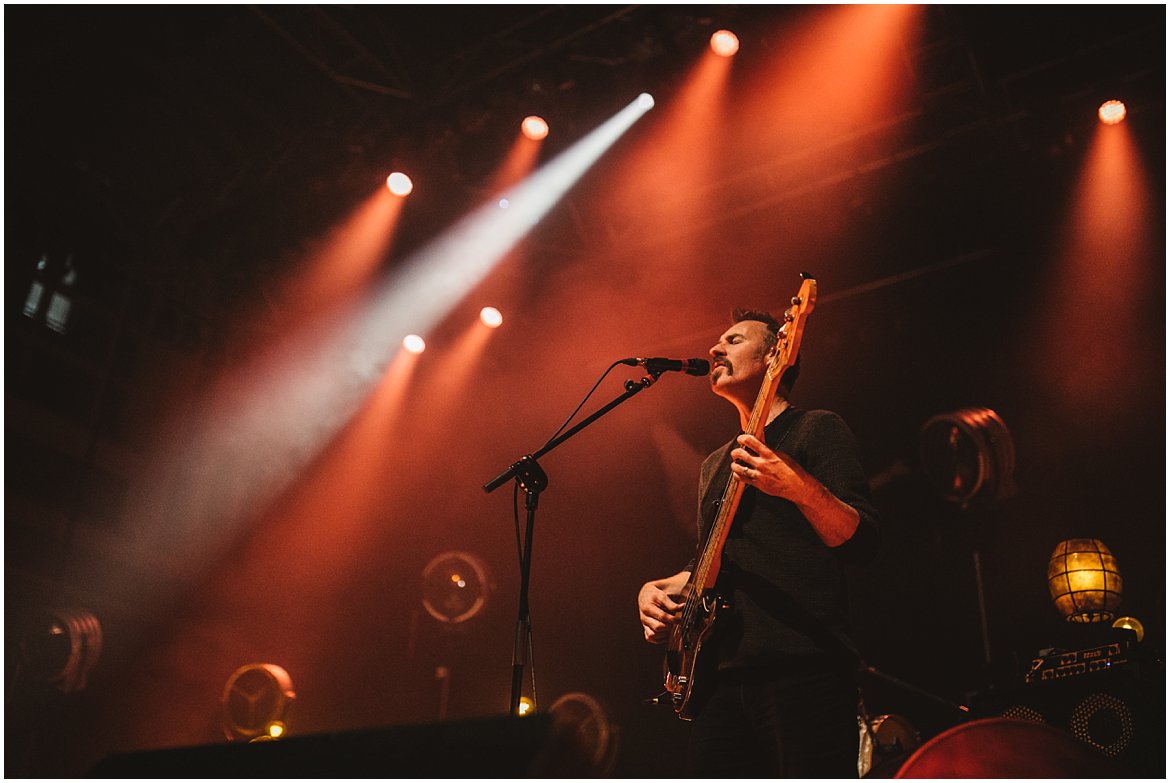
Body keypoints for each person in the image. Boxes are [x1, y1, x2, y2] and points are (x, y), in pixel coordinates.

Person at [638, 307, 881, 778]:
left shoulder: (817, 428)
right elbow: (711, 561)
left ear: (776, 354)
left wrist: (795, 485)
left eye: (733, 340)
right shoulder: (714, 464)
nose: (714, 349)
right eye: (719, 341)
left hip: (803, 669)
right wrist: (660, 589)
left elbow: (862, 540)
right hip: (719, 681)